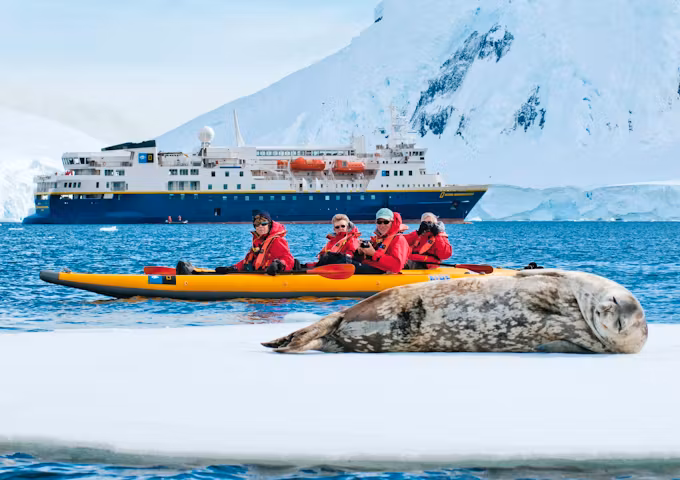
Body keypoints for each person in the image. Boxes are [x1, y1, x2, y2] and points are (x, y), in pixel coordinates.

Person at [217, 210, 294, 276]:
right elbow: (248, 261)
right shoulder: (258, 241)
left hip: (272, 275)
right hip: (259, 273)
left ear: (269, 225)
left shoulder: (277, 241)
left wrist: (278, 265)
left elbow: (288, 259)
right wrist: (232, 268)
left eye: (264, 223)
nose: (260, 226)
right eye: (257, 224)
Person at [352, 208, 408, 274]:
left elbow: (397, 266)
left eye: (386, 222)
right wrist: (360, 252)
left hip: (383, 273)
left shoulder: (399, 239)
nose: (382, 225)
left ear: (392, 222)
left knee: (347, 263)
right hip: (372, 268)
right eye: (379, 222)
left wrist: (374, 254)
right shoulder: (378, 239)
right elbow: (366, 260)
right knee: (343, 259)